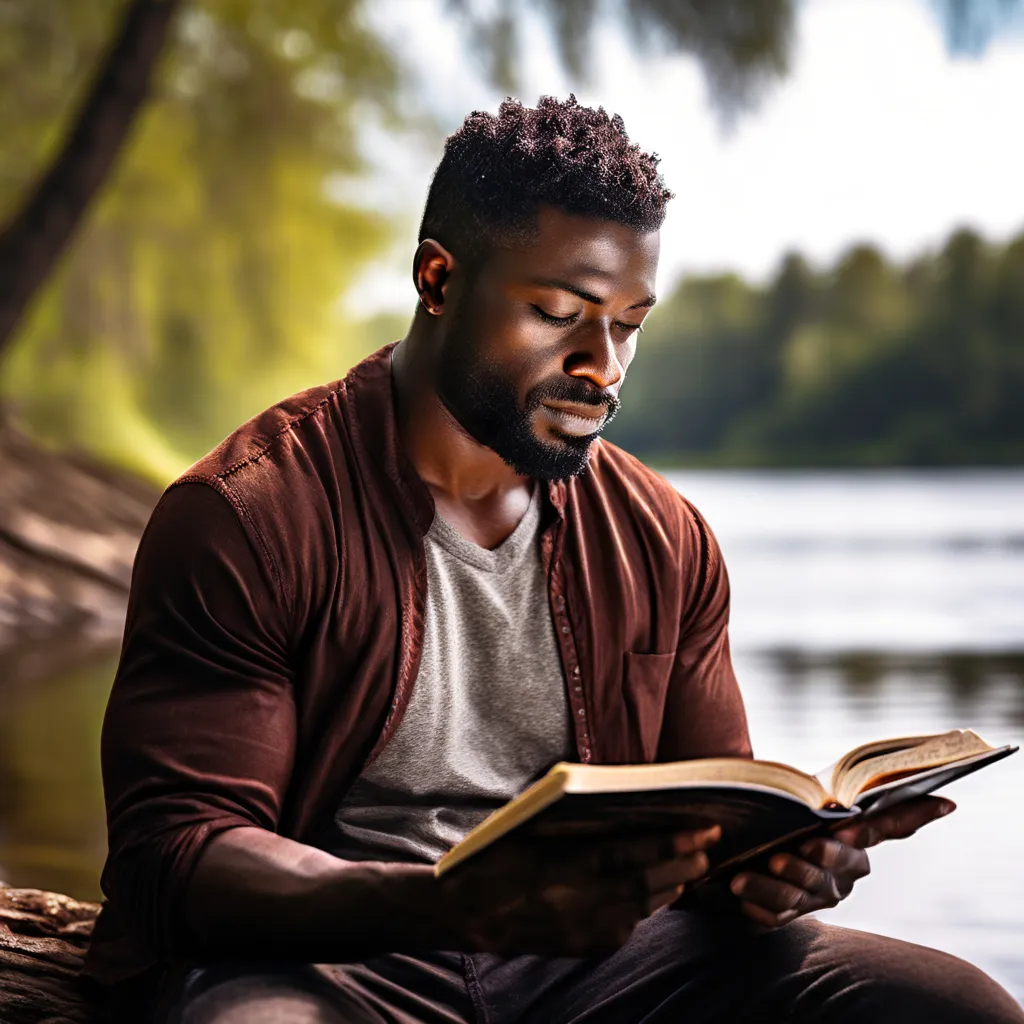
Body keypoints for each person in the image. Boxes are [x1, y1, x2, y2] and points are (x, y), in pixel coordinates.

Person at [85, 96, 1023, 1023]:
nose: (602, 365)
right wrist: (447, 904)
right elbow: (178, 857)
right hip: (338, 962)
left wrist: (780, 871)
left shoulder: (665, 535)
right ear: (438, 280)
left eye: (628, 323)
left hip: (598, 966)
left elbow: (706, 831)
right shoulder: (247, 516)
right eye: (558, 312)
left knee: (951, 1004)